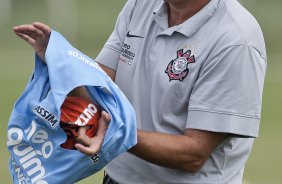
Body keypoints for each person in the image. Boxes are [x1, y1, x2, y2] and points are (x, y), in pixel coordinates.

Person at [13, 0, 267, 183]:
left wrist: (115, 134)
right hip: (115, 177)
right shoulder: (141, 5)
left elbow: (194, 153)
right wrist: (62, 65)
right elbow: (100, 89)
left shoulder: (236, 40)